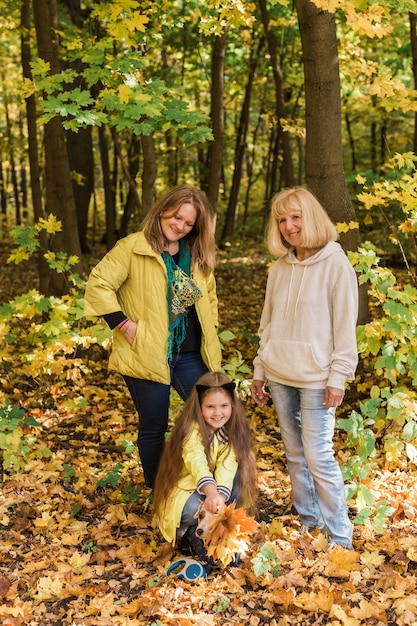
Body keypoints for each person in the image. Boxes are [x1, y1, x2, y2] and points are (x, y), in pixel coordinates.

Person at [84, 184, 222, 489]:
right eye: (176, 218)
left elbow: (209, 297)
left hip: (190, 354)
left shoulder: (195, 252)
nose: (181, 227)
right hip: (147, 351)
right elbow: (98, 284)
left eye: (189, 223)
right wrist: (123, 324)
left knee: (214, 417)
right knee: (154, 426)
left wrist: (211, 333)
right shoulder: (133, 247)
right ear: (162, 211)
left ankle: (214, 486)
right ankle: (160, 491)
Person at [250, 186, 358, 549]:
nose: (288, 226)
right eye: (281, 220)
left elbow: (344, 328)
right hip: (279, 375)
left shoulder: (336, 264)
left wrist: (338, 376)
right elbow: (268, 324)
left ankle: (340, 537)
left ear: (310, 217)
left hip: (317, 379)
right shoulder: (279, 268)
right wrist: (260, 370)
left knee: (318, 456)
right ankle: (309, 525)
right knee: (294, 455)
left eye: (295, 217)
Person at [153, 371, 258, 569]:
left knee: (239, 477)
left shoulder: (231, 432)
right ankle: (189, 536)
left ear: (232, 406)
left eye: (224, 406)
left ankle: (219, 538)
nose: (218, 413)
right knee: (195, 509)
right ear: (199, 407)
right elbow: (196, 461)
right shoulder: (192, 430)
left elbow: (228, 465)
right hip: (186, 493)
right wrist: (211, 493)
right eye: (210, 407)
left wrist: (219, 498)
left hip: (213, 493)